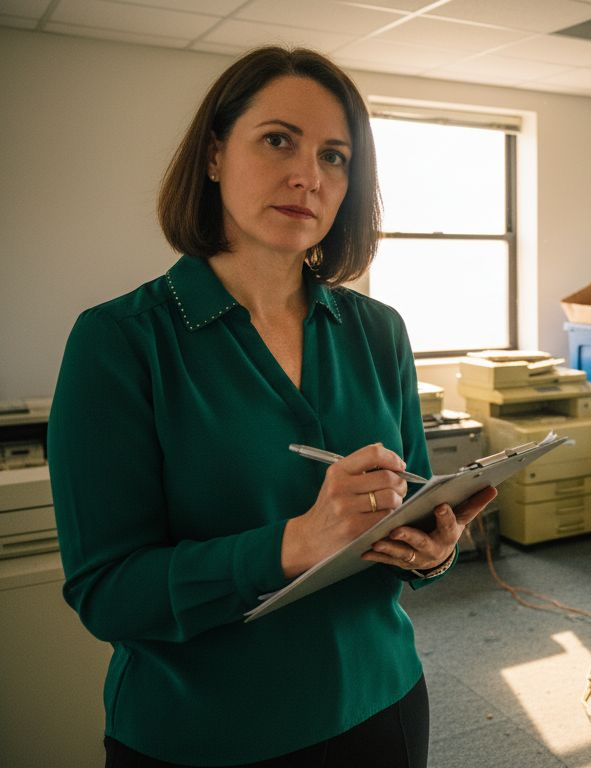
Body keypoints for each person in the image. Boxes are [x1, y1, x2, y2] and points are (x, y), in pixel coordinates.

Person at [47, 47, 494, 767]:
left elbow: (407, 506)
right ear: (217, 154)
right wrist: (293, 544)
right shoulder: (120, 342)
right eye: (278, 140)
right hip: (205, 735)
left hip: (381, 702)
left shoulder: (379, 331)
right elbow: (107, 593)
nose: (307, 177)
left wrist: (433, 552)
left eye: (336, 157)